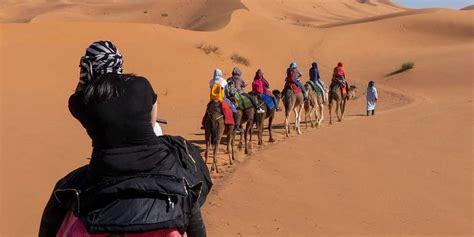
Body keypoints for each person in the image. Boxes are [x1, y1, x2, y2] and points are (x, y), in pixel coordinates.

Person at [39, 41, 209, 237]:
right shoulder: (141, 84)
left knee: (59, 196)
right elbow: (153, 123)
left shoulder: (80, 100)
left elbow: (87, 98)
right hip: (159, 163)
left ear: (87, 68)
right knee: (189, 194)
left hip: (105, 171)